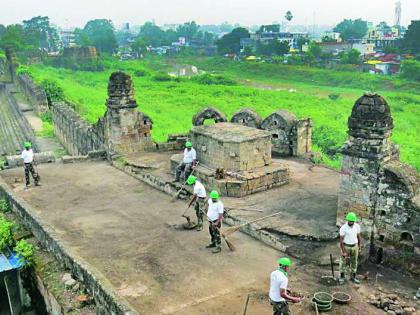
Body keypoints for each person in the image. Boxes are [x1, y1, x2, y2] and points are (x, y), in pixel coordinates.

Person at [338, 212, 361, 284]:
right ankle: (342, 277)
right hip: (346, 246)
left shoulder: (357, 226)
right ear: (347, 220)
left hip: (355, 246)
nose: (351, 222)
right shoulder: (343, 228)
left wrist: (359, 246)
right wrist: (343, 251)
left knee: (354, 262)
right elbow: (341, 240)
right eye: (350, 221)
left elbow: (358, 237)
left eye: (352, 221)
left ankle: (353, 277)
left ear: (354, 221)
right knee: (343, 262)